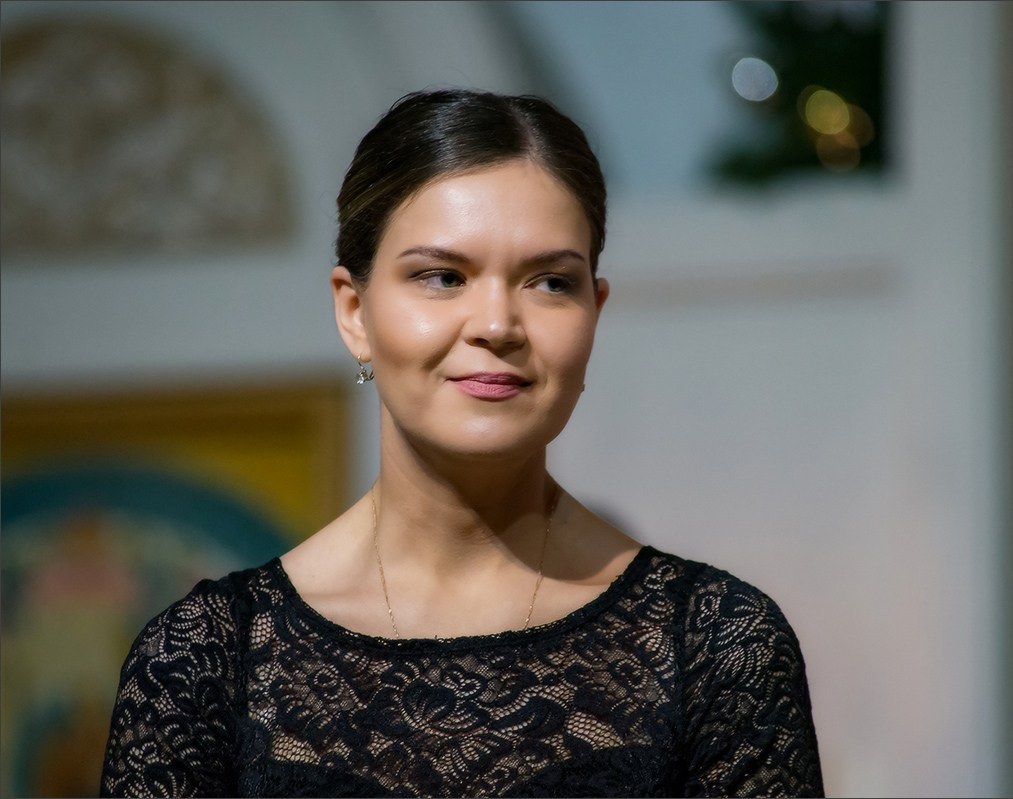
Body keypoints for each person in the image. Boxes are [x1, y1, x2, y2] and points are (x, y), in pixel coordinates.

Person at [100, 87, 824, 798]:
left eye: (549, 282)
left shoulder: (717, 646)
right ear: (354, 311)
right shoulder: (205, 662)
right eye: (442, 277)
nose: (498, 324)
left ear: (594, 312)